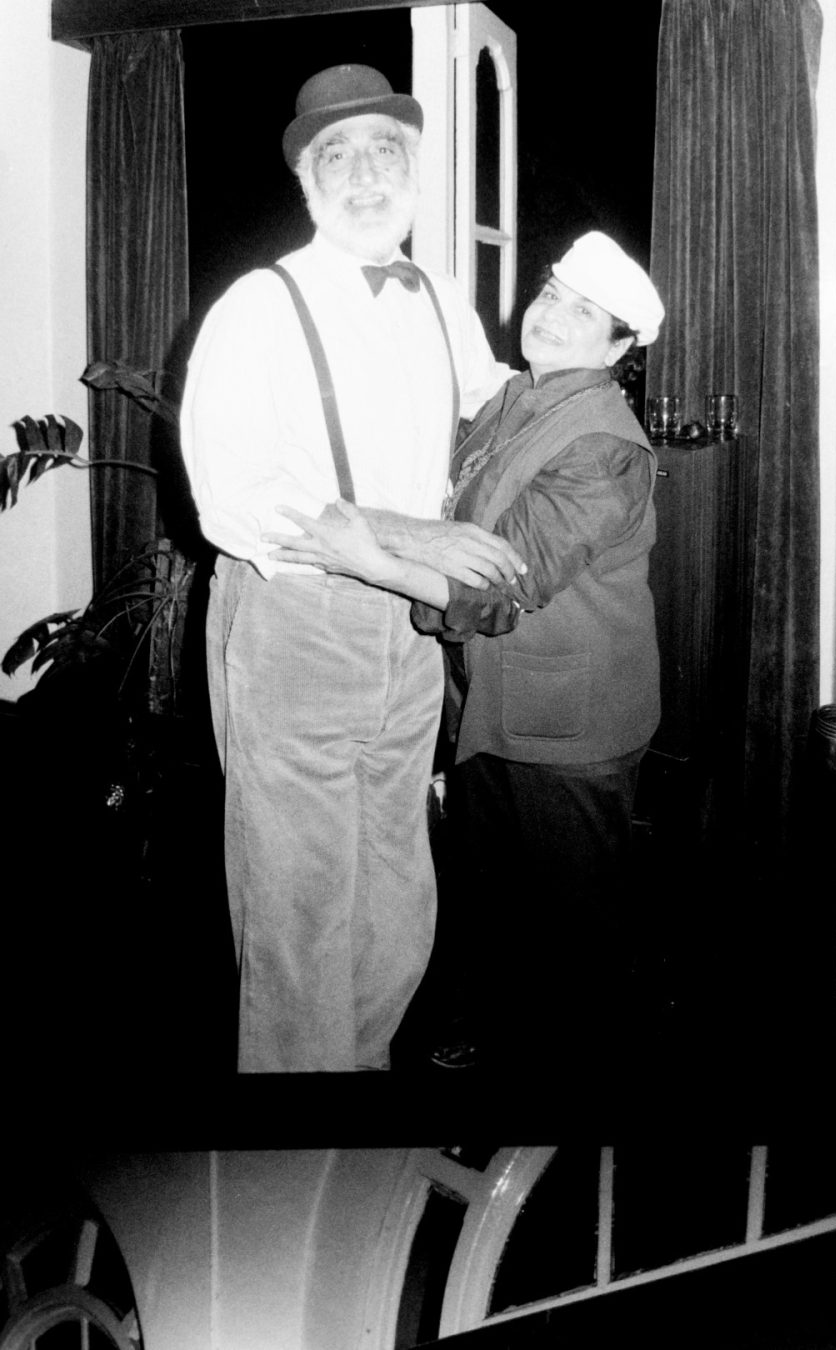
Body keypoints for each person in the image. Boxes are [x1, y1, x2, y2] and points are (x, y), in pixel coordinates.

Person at [179, 64, 522, 1073]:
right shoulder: (258, 306)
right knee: (299, 907)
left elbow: (494, 407)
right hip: (297, 623)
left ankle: (363, 1075)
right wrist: (412, 537)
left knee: (396, 887)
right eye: (339, 155)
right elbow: (232, 498)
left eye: (385, 151)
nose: (367, 174)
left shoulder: (440, 298)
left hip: (405, 637)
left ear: (413, 170)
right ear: (308, 182)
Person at [264, 230, 665, 1072]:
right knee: (491, 881)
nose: (551, 315)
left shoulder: (603, 446)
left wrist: (367, 559)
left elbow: (500, 586)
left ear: (617, 348)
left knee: (577, 919)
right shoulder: (517, 396)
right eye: (551, 294)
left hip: (571, 720)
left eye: (582, 313)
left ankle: (586, 1071)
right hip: (497, 700)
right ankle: (489, 1026)